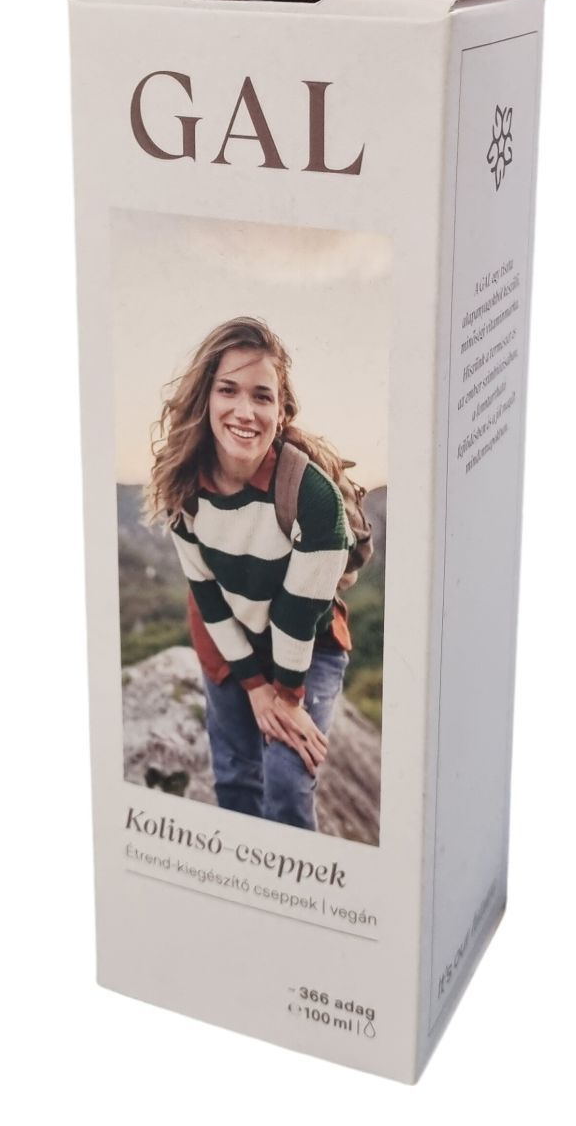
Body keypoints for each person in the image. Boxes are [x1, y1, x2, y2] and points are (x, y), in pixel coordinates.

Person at [146, 316, 354, 831]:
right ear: (206, 399)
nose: (245, 411)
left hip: (307, 646)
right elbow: (206, 597)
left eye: (262, 396)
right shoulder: (183, 486)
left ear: (281, 413)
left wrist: (285, 696)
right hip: (228, 637)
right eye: (228, 390)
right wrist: (253, 686)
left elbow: (295, 616)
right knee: (236, 775)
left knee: (286, 781)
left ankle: (296, 880)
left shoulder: (314, 499)